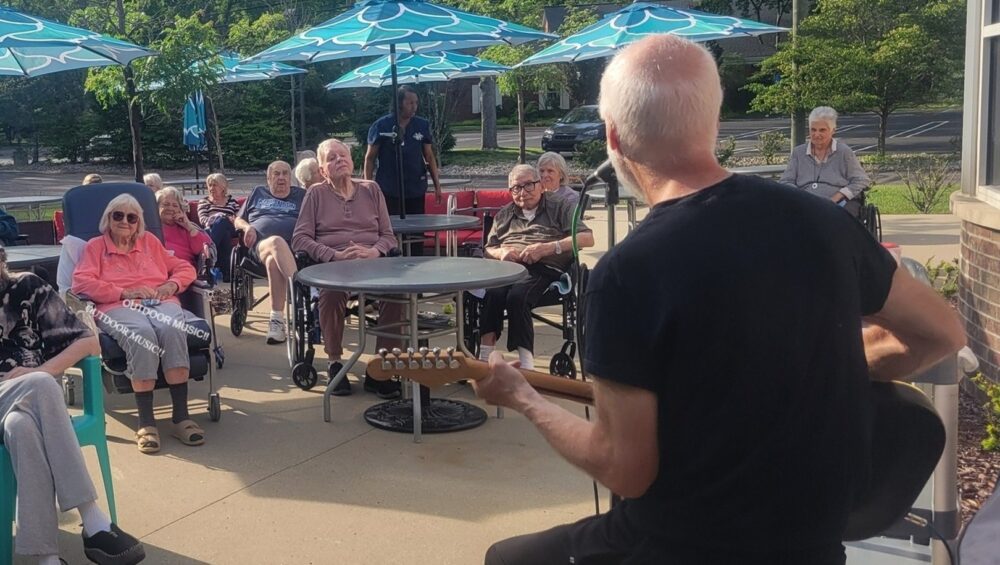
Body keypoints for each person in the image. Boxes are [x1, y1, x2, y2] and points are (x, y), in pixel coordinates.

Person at [474, 35, 967, 565]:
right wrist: (829, 363)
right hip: (813, 547)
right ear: (710, 122)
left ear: (613, 137)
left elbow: (624, 469)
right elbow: (942, 332)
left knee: (507, 558)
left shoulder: (629, 272)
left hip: (679, 545)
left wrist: (524, 398)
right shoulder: (823, 223)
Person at [0, 248, 146, 565]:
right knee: (40, 385)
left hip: (32, 405)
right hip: (22, 393)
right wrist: (40, 376)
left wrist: (42, 370)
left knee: (21, 427)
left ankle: (46, 558)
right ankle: (92, 518)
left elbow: (88, 342)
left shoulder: (28, 288)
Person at [72, 194, 205, 454]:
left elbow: (184, 268)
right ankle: (146, 423)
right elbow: (81, 283)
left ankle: (181, 417)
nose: (125, 221)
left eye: (131, 217)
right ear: (108, 219)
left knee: (172, 328)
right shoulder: (95, 247)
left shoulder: (150, 242)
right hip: (116, 306)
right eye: (118, 215)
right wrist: (123, 292)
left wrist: (171, 285)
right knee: (142, 333)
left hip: (159, 302)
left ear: (138, 223)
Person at [292, 139, 404, 398]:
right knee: (330, 294)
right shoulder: (316, 194)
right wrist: (333, 255)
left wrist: (374, 251)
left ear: (353, 161)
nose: (339, 160)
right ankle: (335, 362)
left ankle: (380, 369)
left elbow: (388, 236)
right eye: (331, 158)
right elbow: (300, 238)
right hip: (334, 266)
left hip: (373, 264)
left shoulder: (371, 189)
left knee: (399, 293)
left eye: (343, 156)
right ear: (322, 170)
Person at [478, 164, 594, 371]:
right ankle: (484, 358)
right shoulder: (504, 215)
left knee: (518, 297)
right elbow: (489, 248)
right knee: (493, 294)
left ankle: (526, 364)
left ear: (540, 186)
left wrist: (548, 247)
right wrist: (502, 253)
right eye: (516, 188)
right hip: (509, 267)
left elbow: (587, 238)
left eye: (529, 185)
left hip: (545, 266)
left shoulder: (560, 206)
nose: (523, 193)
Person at [365, 85, 442, 255]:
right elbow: (370, 158)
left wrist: (437, 186)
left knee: (416, 231)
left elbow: (429, 156)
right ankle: (392, 263)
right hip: (389, 188)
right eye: (409, 103)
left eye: (416, 103)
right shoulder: (381, 125)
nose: (414, 106)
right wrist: (368, 185)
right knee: (390, 230)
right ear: (399, 103)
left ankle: (417, 263)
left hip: (415, 187)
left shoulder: (422, 125)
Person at [234, 161, 305, 344]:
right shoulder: (258, 193)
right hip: (258, 248)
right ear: (268, 178)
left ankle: (276, 321)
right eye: (276, 174)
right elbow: (237, 220)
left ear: (291, 178)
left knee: (274, 262)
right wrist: (247, 227)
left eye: (285, 174)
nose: (281, 178)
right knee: (275, 242)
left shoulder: (302, 196)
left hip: (294, 252)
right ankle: (300, 293)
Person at [780, 106, 871, 217]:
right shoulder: (798, 153)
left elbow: (861, 180)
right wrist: (800, 197)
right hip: (804, 204)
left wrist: (837, 197)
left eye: (822, 130)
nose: (816, 134)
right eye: (813, 130)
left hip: (837, 204)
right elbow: (786, 181)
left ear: (833, 130)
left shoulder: (844, 152)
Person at [197, 173, 240, 283]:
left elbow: (239, 219)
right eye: (210, 185)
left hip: (232, 229)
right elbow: (203, 220)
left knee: (222, 221)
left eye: (215, 185)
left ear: (223, 187)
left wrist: (223, 218)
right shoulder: (204, 202)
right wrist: (216, 218)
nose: (211, 188)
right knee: (224, 233)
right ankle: (227, 273)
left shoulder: (232, 202)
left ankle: (209, 252)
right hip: (211, 229)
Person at [156, 186, 212, 267]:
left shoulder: (188, 228)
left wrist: (188, 226)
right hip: (158, 269)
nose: (170, 208)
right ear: (156, 207)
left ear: (181, 210)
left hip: (183, 270)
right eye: (166, 204)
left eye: (175, 205)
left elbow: (201, 249)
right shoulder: (151, 227)